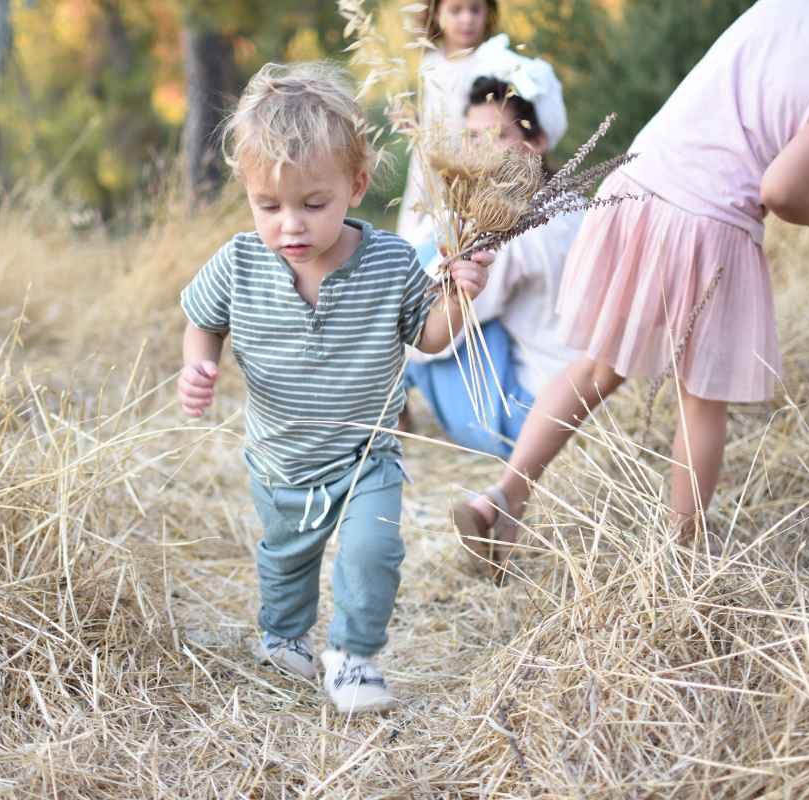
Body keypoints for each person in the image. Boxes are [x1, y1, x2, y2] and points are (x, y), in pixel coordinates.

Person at [450, 0, 809, 578]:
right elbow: (782, 188)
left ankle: (503, 496)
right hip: (706, 224)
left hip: (635, 192)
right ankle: (683, 559)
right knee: (702, 402)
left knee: (596, 366)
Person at [178, 62, 490, 713]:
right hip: (281, 455)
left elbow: (429, 338)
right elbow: (202, 321)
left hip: (367, 451)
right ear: (248, 194)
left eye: (312, 205)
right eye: (269, 206)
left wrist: (459, 299)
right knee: (287, 556)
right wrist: (198, 366)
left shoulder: (389, 262)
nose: (290, 224)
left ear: (356, 185)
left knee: (374, 548)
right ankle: (285, 635)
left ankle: (353, 656)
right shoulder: (238, 262)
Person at [403, 42, 581, 458]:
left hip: (528, 421)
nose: (481, 152)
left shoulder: (516, 228)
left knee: (420, 305)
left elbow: (432, 332)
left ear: (535, 141)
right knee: (438, 265)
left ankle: (384, 408)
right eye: (473, 138)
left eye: (498, 136)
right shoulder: (570, 201)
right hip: (581, 402)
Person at [397, 0, 501, 245]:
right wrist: (413, 123)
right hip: (429, 163)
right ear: (436, 14)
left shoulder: (492, 62)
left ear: (488, 12)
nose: (467, 19)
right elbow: (435, 116)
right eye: (456, 10)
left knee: (460, 232)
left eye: (475, 10)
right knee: (420, 227)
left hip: (469, 165)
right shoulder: (430, 62)